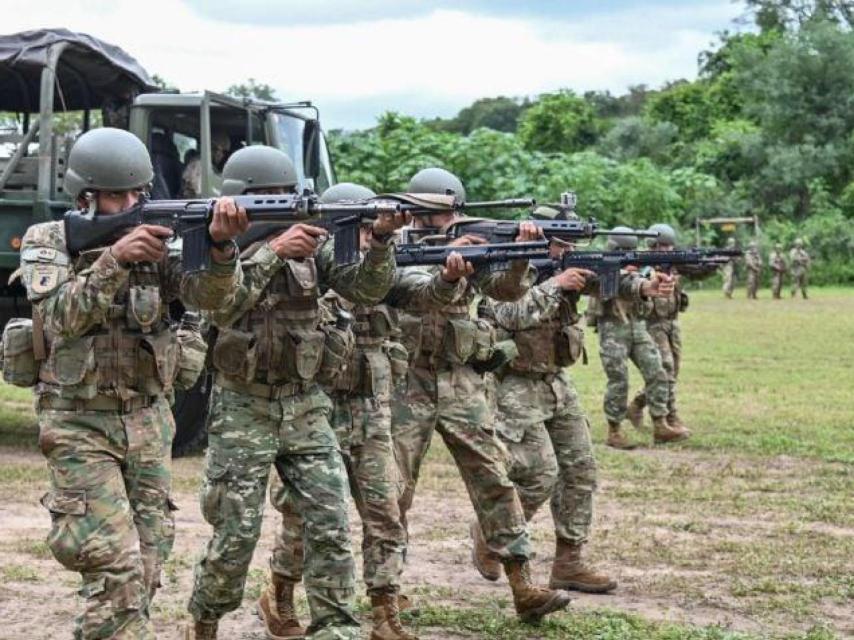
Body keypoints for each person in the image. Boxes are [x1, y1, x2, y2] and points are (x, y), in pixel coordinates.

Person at [15, 127, 245, 639]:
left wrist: (221, 250)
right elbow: (60, 317)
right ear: (84, 196)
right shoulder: (47, 241)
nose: (128, 203)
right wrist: (115, 259)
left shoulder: (162, 245)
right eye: (114, 195)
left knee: (148, 561)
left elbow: (212, 301)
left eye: (135, 193)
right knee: (111, 564)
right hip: (78, 421)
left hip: (147, 419)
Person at [186, 147, 407, 640]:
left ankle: (336, 627)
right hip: (243, 405)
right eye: (267, 201)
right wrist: (271, 251)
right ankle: (204, 620)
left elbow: (366, 290)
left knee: (330, 521)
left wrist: (382, 242)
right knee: (236, 533)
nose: (281, 208)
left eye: (284, 198)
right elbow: (219, 306)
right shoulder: (213, 246)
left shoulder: (314, 246)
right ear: (238, 202)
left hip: (306, 403)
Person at [262, 183, 469, 640]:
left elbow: (420, 295)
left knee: (385, 511)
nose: (365, 235)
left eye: (367, 228)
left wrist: (450, 279)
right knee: (303, 513)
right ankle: (280, 589)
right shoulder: (307, 270)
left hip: (372, 409)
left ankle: (384, 610)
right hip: (318, 408)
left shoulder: (380, 266)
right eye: (356, 228)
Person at [391, 168, 571, 623]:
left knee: (494, 476)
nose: (429, 220)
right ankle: (388, 589)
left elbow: (507, 290)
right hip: (405, 380)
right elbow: (395, 288)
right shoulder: (392, 242)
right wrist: (446, 263)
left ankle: (522, 582)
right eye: (423, 212)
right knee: (394, 490)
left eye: (440, 213)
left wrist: (516, 257)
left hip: (460, 379)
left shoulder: (473, 239)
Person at [468, 205, 672, 595]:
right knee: (536, 475)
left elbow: (601, 282)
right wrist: (555, 284)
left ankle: (569, 561)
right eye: (559, 244)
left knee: (580, 470)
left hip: (555, 381)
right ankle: (493, 534)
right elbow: (510, 313)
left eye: (569, 245)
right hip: (514, 384)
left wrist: (643, 287)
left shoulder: (562, 267)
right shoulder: (501, 268)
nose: (566, 251)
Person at [587, 227, 688, 449]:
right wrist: (624, 272)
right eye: (624, 252)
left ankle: (660, 423)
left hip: (637, 326)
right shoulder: (601, 268)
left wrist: (645, 279)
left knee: (658, 371)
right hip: (612, 328)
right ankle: (614, 430)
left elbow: (645, 299)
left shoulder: (641, 271)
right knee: (618, 379)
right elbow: (605, 292)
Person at [626, 224, 692, 437]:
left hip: (671, 323)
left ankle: (636, 404)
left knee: (673, 371)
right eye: (662, 246)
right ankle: (670, 417)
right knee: (665, 370)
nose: (667, 250)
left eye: (669, 246)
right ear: (652, 246)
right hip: (653, 325)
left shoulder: (670, 267)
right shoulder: (644, 269)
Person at [180, 130, 231, 198]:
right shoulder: (199, 165)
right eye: (224, 152)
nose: (223, 156)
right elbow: (202, 194)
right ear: (214, 149)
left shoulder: (208, 165)